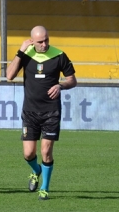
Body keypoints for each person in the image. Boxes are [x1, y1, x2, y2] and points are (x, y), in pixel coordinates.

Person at [6, 25, 77, 200]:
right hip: (30, 112)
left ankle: (44, 188)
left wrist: (60, 85)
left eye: (46, 40)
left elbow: (72, 80)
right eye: (40, 42)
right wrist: (20, 52)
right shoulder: (26, 55)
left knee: (46, 151)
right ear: (32, 41)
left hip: (51, 112)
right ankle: (36, 171)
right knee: (28, 153)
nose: (44, 44)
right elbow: (9, 75)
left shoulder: (59, 55)